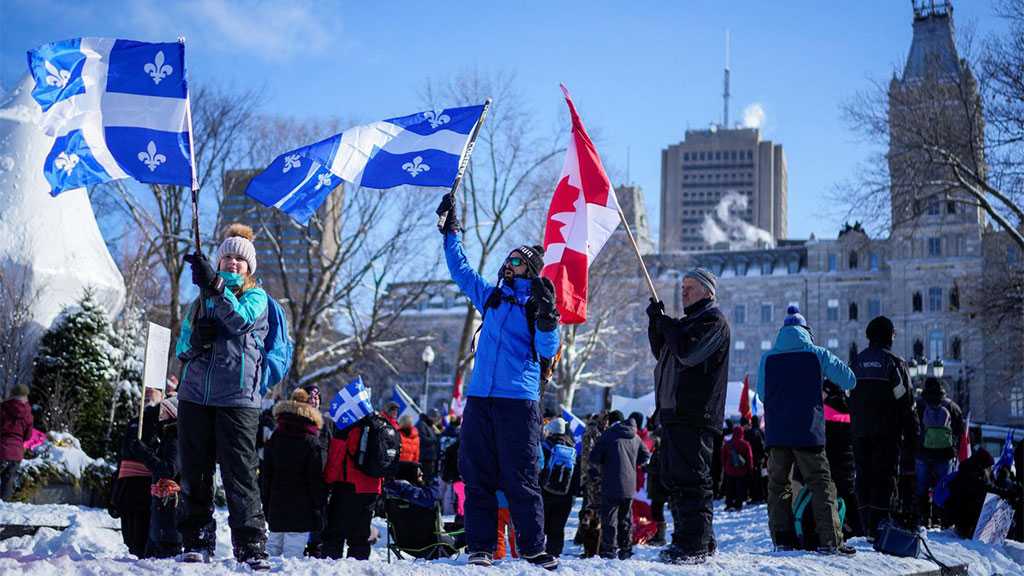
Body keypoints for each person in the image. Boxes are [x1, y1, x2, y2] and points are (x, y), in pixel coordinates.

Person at [437, 192, 561, 570]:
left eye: (518, 262)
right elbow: (461, 272)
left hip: (517, 401)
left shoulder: (536, 304)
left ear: (532, 269)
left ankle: (533, 547)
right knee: (476, 475)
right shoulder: (491, 298)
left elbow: (547, 349)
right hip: (479, 399)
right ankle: (481, 547)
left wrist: (548, 318)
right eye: (508, 260)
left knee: (520, 475)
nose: (509, 265)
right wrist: (450, 232)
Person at [176, 223, 271, 569]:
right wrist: (196, 341)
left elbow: (241, 320)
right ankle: (196, 539)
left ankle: (250, 545)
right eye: (227, 257)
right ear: (219, 260)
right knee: (195, 471)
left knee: (240, 474)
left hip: (238, 399)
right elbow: (182, 347)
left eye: (239, 259)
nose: (232, 263)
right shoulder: (199, 301)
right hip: (195, 396)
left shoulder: (257, 297)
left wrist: (215, 286)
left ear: (249, 267)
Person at [756, 305, 857, 555]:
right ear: (806, 331)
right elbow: (849, 379)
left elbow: (761, 394)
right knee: (821, 484)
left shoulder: (768, 358)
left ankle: (782, 539)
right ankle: (830, 540)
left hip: (778, 433)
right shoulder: (816, 353)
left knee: (778, 486)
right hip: (808, 432)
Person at [646, 267, 730, 564]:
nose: (684, 292)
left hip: (694, 413)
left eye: (691, 287)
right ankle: (696, 538)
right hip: (673, 413)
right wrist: (656, 324)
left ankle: (692, 545)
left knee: (692, 480)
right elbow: (665, 352)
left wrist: (668, 325)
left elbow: (687, 352)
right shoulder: (686, 323)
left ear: (708, 291)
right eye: (682, 287)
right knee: (675, 479)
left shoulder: (713, 321)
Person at [848, 315, 917, 538]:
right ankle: (879, 526)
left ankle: (863, 525)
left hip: (859, 433)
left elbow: (847, 397)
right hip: (887, 433)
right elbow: (906, 402)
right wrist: (912, 435)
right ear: (888, 335)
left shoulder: (856, 363)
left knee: (863, 476)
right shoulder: (894, 363)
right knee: (884, 477)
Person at [261, 388, 325, 559]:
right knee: (293, 555)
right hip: (302, 506)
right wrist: (319, 508)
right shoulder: (311, 441)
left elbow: (266, 473)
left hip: (277, 501)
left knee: (272, 548)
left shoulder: (276, 436)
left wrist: (266, 501)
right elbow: (315, 479)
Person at [589, 410, 650, 560]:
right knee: (625, 518)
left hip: (611, 483)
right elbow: (646, 455)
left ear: (611, 421)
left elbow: (594, 457)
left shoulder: (608, 435)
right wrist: (632, 464)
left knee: (610, 518)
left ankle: (609, 550)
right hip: (629, 485)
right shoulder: (635, 437)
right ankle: (626, 549)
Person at [322, 411, 382, 560]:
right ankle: (358, 567)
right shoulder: (379, 426)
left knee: (335, 532)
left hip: (347, 486)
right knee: (361, 535)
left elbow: (335, 460)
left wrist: (327, 481)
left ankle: (330, 567)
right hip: (372, 488)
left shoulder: (347, 429)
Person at [130, 396, 182, 558]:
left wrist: (144, 453)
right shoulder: (168, 437)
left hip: (169, 513)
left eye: (163, 413)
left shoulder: (175, 437)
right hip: (163, 512)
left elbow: (168, 469)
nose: (159, 417)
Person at [383, 462, 462, 558]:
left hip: (403, 543)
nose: (422, 474)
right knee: (466, 533)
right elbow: (430, 497)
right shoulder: (415, 495)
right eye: (418, 472)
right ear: (409, 474)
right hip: (430, 544)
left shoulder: (391, 497)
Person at [915, 377, 965, 527]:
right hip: (945, 455)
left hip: (922, 454)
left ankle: (924, 519)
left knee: (921, 487)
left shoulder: (919, 405)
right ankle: (941, 519)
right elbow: (959, 430)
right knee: (943, 487)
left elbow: (911, 427)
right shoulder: (952, 406)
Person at [113, 402, 159, 558]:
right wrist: (114, 495)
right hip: (127, 486)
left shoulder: (164, 423)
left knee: (141, 539)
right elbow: (121, 459)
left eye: (153, 391)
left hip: (146, 487)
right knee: (129, 538)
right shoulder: (134, 422)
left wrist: (144, 452)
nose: (148, 393)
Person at [822, 381, 864, 538]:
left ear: (828, 391)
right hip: (848, 456)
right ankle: (857, 527)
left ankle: (842, 527)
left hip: (832, 456)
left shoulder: (825, 408)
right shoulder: (848, 405)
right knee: (849, 494)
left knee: (833, 495)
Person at [540, 418, 578, 557]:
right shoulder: (572, 448)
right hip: (565, 494)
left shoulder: (544, 447)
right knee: (558, 526)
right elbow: (576, 474)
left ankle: (540, 552)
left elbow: (539, 468)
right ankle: (555, 553)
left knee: (542, 524)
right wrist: (573, 494)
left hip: (546, 491)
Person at [0, 384, 33, 500]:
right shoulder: (28, 413)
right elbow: (28, 435)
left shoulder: (3, 407)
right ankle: (4, 506)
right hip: (17, 452)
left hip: (2, 448)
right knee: (8, 481)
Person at [721, 424, 754, 512]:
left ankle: (729, 504)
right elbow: (749, 457)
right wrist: (750, 468)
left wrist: (725, 466)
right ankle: (738, 504)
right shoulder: (745, 444)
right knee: (739, 487)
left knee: (729, 488)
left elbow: (723, 457)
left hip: (729, 469)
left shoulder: (727, 444)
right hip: (741, 470)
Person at [746, 415, 768, 504]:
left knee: (753, 479)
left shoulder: (749, 432)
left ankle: (755, 497)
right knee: (762, 479)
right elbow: (763, 445)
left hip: (751, 459)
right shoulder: (760, 432)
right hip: (760, 459)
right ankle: (762, 496)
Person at [417, 410, 440, 480]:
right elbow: (423, 440)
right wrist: (436, 438)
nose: (436, 420)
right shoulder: (422, 424)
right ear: (431, 417)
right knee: (426, 479)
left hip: (430, 457)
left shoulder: (429, 425)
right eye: (435, 418)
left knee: (429, 479)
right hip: (425, 457)